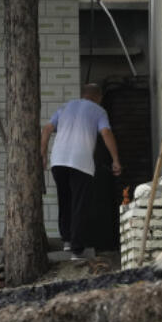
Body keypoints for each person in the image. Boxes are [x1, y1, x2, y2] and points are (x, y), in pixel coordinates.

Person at [40, 83, 121, 259]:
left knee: (65, 200)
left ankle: (67, 242)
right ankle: (77, 250)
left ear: (82, 95)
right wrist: (115, 159)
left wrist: (43, 154)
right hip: (81, 163)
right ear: (99, 97)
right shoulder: (99, 111)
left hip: (58, 161)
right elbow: (106, 133)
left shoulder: (65, 107)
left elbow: (46, 129)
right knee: (79, 204)